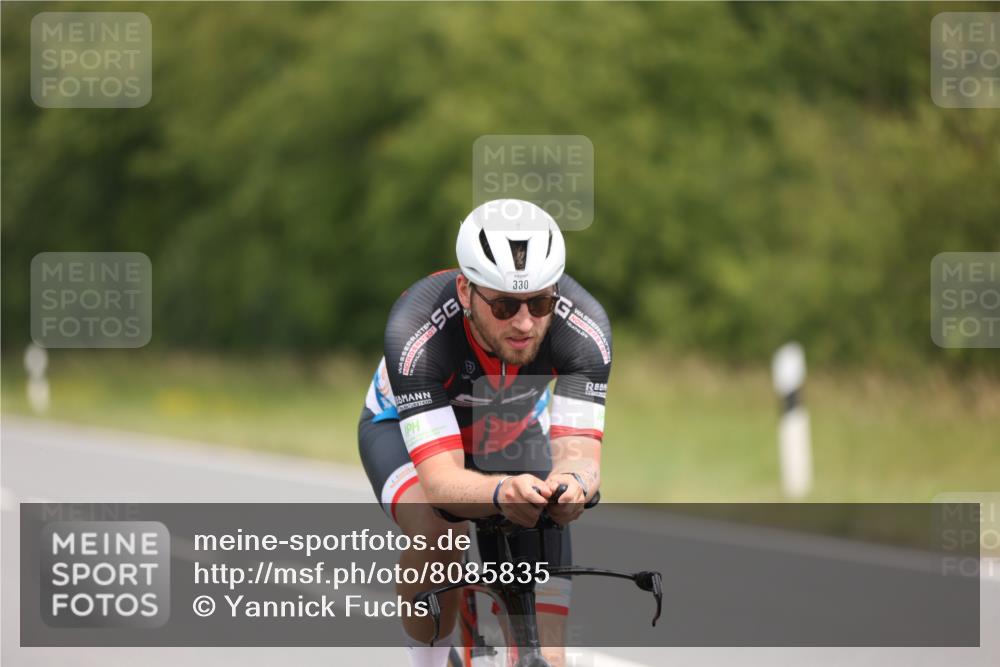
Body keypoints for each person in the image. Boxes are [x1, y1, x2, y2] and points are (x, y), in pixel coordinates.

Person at [358, 199, 612, 667]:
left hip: (508, 430)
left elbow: (579, 457)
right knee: (440, 532)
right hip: (400, 429)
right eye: (502, 304)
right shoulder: (416, 330)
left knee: (548, 656)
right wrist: (500, 491)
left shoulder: (584, 328)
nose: (523, 322)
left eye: (539, 302)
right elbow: (440, 482)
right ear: (465, 290)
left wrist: (572, 486)